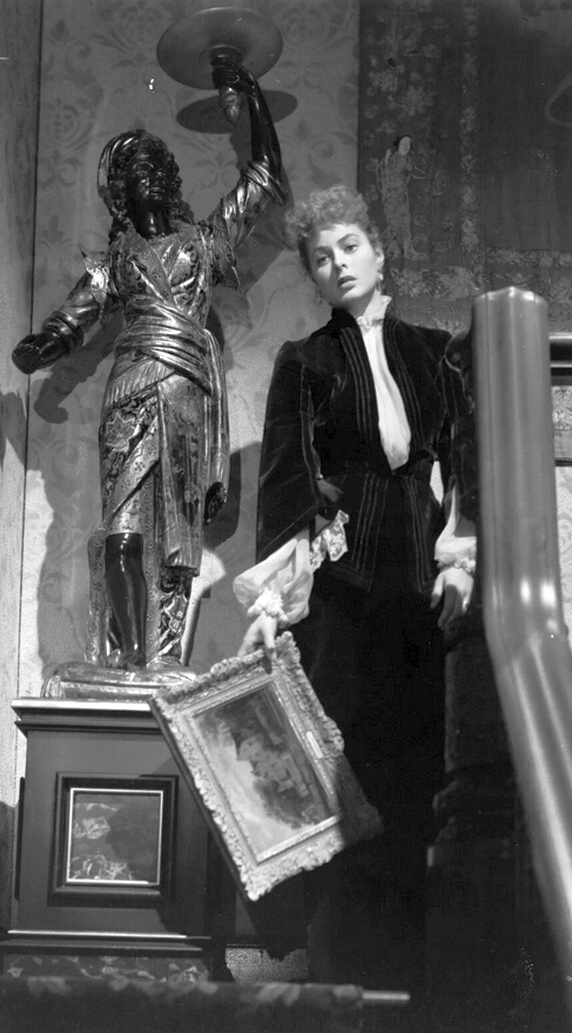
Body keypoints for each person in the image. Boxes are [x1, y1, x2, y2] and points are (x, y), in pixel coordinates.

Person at [234, 185, 476, 1000]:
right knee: (339, 768)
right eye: (319, 258)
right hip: (342, 588)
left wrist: (460, 561)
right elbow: (288, 483)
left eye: (348, 247)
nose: (336, 265)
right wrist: (272, 605)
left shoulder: (439, 353)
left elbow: (465, 463)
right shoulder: (305, 362)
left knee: (419, 766)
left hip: (422, 580)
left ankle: (412, 984)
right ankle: (337, 976)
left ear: (377, 251)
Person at [12, 61, 285, 671]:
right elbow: (71, 320)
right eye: (140, 171)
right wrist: (40, 348)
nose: (154, 177)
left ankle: (159, 659)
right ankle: (129, 659)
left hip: (186, 396)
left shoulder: (205, 244)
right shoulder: (113, 262)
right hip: (130, 391)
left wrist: (253, 99)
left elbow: (262, 178)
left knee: (176, 544)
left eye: (161, 167)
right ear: (122, 194)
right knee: (123, 533)